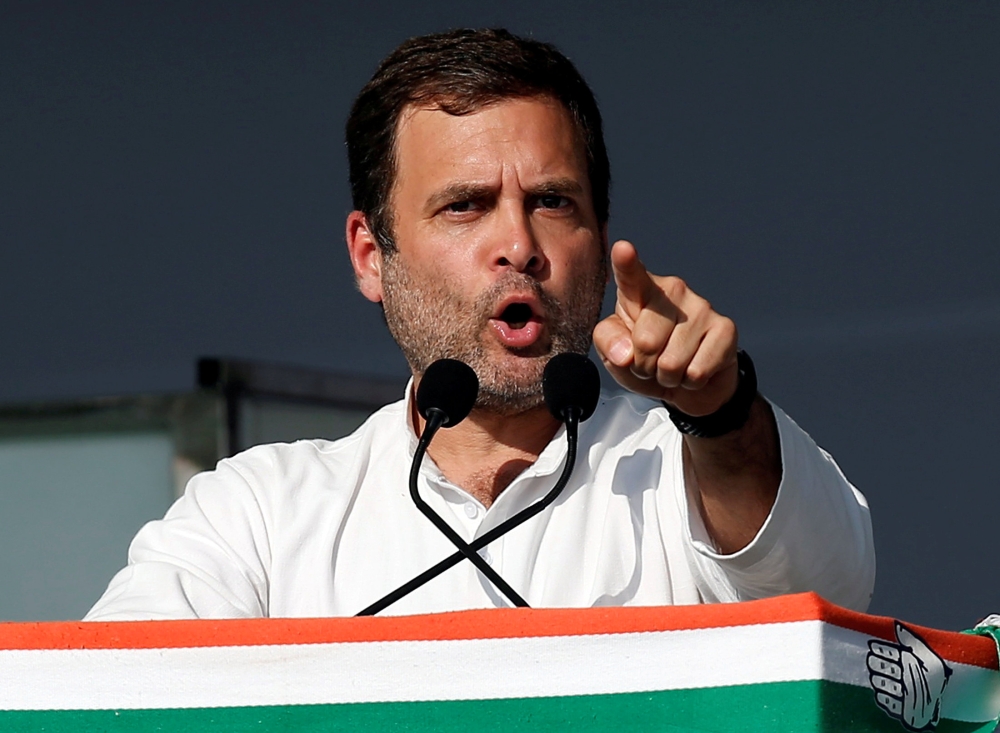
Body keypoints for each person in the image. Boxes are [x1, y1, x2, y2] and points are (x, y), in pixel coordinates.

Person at [85, 28, 874, 621]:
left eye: (552, 202)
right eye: (465, 205)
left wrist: (722, 414)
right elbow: (109, 696)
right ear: (371, 255)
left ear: (599, 240)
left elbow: (825, 594)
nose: (519, 247)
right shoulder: (258, 515)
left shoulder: (678, 469)